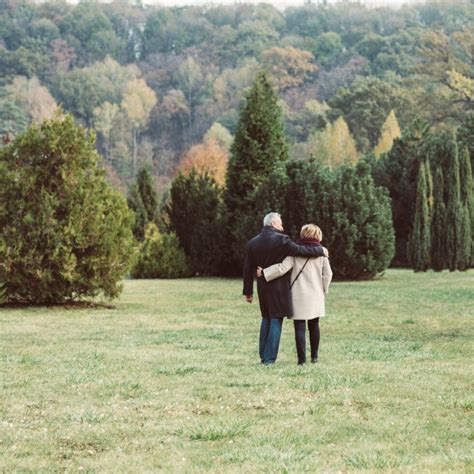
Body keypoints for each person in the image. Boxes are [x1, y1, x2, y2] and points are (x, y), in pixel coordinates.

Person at [243, 213, 328, 365]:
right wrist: (321, 251)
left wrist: (248, 291)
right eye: (280, 223)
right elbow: (302, 251)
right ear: (274, 223)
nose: (282, 227)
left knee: (266, 318)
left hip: (263, 286)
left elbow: (248, 268)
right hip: (280, 288)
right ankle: (270, 359)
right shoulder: (282, 239)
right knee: (277, 319)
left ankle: (264, 355)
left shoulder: (252, 242)